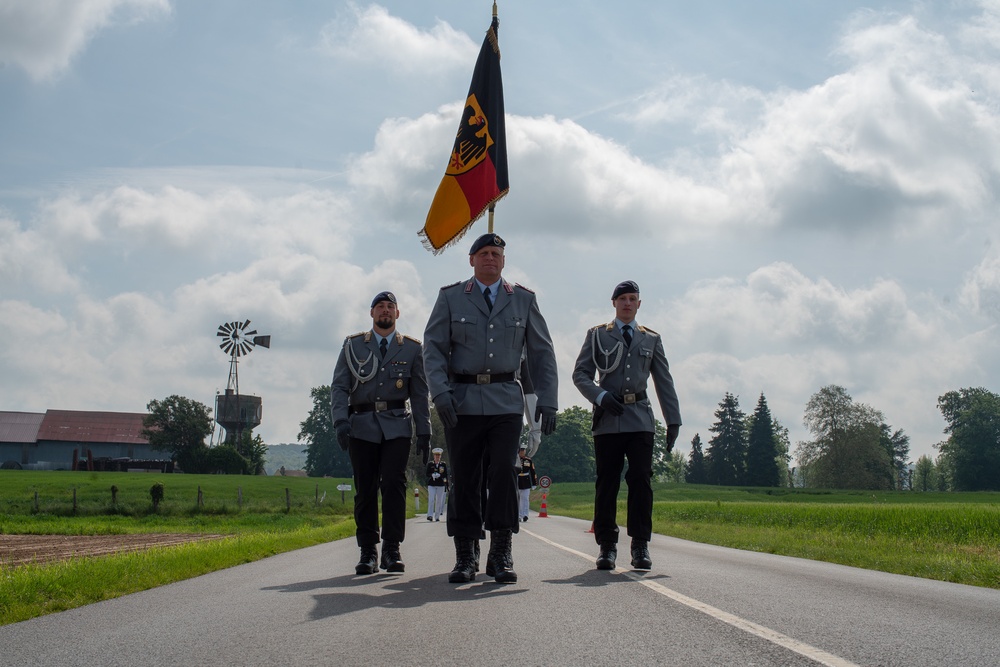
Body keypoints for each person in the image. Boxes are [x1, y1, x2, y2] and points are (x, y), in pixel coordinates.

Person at [423, 232, 558, 584]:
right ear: (471, 260)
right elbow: (433, 349)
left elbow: (543, 354)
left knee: (503, 474)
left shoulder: (524, 300)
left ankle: (501, 552)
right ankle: (466, 554)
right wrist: (439, 394)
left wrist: (548, 401)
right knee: (465, 478)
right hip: (461, 401)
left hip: (505, 401)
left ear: (503, 260)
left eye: (496, 253)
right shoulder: (451, 297)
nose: (490, 259)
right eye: (483, 253)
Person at [572, 280, 681, 571]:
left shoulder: (651, 339)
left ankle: (640, 545)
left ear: (639, 304)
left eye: (633, 299)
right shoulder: (597, 336)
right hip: (608, 419)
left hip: (641, 419)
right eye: (622, 299)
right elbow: (581, 374)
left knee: (641, 481)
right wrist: (601, 396)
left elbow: (664, 381)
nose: (628, 303)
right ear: (614, 303)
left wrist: (673, 420)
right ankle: (607, 546)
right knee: (607, 483)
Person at [330, 290, 431, 575]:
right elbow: (339, 386)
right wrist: (340, 421)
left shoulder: (411, 348)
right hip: (361, 425)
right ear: (371, 313)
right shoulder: (353, 346)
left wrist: (424, 431)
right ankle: (367, 551)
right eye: (379, 307)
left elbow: (420, 393)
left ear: (397, 314)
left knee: (394, 485)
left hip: (397, 424)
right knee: (365, 488)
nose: (385, 310)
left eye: (390, 306)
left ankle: (391, 549)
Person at [425, 447, 449, 522]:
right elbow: (427, 473)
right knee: (431, 499)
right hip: (431, 484)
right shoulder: (430, 464)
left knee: (439, 501)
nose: (437, 457)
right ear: (434, 456)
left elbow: (445, 474)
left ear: (440, 456)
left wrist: (440, 476)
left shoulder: (443, 465)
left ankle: (437, 516)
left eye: (438, 456)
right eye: (436, 455)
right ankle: (430, 515)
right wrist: (432, 474)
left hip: (440, 485)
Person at [516, 446, 538, 522]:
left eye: (523, 451)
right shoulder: (515, 460)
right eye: (521, 451)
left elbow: (533, 472)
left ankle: (525, 515)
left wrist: (534, 483)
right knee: (517, 499)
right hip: (517, 481)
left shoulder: (528, 461)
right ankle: (518, 515)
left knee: (525, 499)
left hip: (526, 481)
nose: (522, 452)